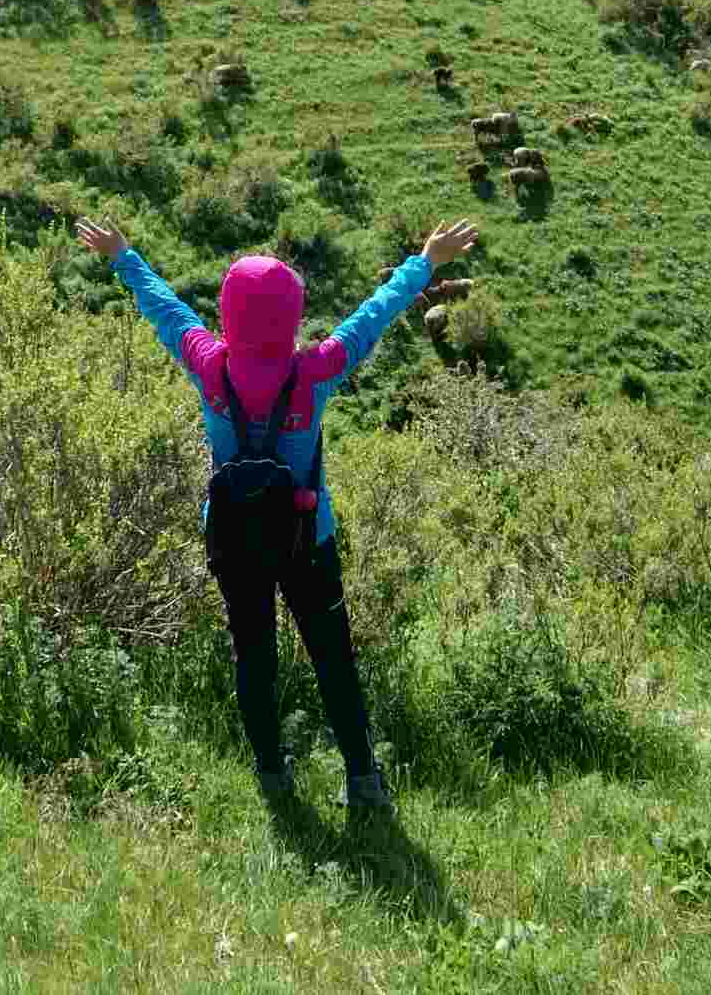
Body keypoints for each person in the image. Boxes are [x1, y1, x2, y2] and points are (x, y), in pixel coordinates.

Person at [76, 212, 478, 810]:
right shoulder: (314, 372)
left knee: (254, 658)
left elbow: (165, 308)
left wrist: (123, 256)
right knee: (333, 660)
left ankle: (272, 776)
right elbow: (372, 317)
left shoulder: (209, 365)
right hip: (307, 539)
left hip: (234, 543)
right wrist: (424, 263)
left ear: (228, 311)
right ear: (291, 315)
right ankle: (364, 782)